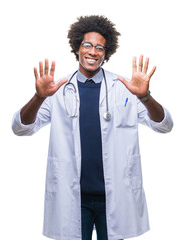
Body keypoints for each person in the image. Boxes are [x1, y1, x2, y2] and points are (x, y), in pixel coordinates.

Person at [12, 15, 173, 240]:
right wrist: (39, 97)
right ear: (77, 48)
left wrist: (145, 97)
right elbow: (20, 128)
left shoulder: (125, 88)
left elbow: (164, 125)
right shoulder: (58, 90)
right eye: (87, 45)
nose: (93, 51)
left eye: (100, 48)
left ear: (106, 54)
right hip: (74, 199)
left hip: (115, 196)